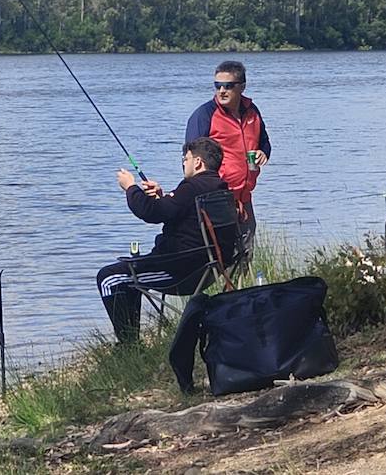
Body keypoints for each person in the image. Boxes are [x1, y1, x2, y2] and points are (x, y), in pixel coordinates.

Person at [96, 137, 229, 343]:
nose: (183, 163)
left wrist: (130, 188)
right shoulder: (219, 188)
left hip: (179, 271)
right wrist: (161, 196)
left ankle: (128, 346)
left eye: (185, 159)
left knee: (108, 278)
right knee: (127, 277)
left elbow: (151, 213)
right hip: (206, 269)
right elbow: (179, 214)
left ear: (198, 162)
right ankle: (132, 342)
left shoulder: (191, 188)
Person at [185, 60, 271, 226]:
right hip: (215, 199)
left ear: (242, 87)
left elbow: (264, 143)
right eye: (218, 86)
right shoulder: (204, 115)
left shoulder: (252, 111)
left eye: (228, 86)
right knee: (220, 243)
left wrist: (263, 153)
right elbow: (190, 160)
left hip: (244, 198)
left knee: (247, 242)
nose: (222, 91)